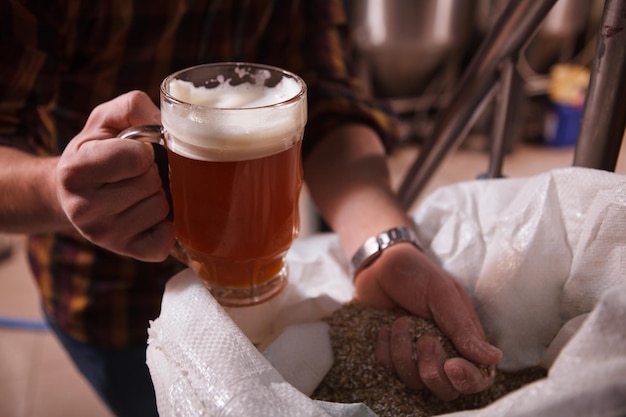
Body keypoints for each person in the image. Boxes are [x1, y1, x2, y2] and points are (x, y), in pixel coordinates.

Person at [0, 1, 502, 415]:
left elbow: (329, 101)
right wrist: (56, 189)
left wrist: (384, 248)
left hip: (273, 282)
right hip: (111, 300)